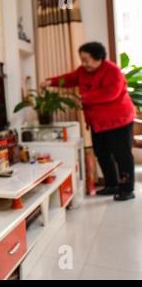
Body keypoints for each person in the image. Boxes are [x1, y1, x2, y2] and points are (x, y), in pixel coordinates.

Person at [40, 42, 136, 201]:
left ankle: (127, 189)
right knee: (102, 153)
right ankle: (111, 185)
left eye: (87, 60)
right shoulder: (83, 71)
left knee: (122, 155)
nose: (84, 64)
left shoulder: (113, 71)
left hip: (119, 120)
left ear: (99, 58)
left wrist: (83, 98)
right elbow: (70, 78)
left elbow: (111, 93)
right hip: (97, 122)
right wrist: (51, 81)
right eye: (82, 60)